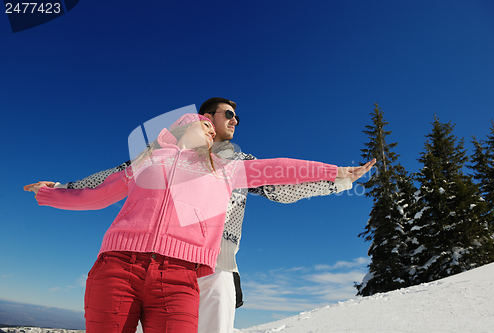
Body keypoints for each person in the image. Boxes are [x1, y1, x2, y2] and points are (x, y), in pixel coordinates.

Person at [25, 98, 376, 333]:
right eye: (227, 115)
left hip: (210, 262)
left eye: (236, 117)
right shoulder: (154, 159)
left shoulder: (236, 164)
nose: (235, 121)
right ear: (203, 120)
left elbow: (280, 180)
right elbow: (107, 183)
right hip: (128, 261)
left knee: (217, 303)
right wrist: (60, 187)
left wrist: (337, 178)